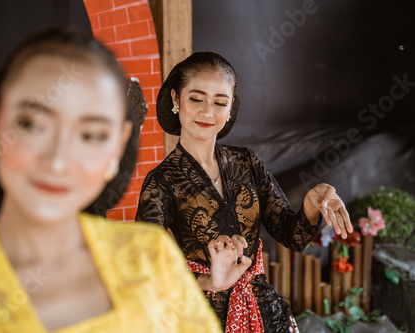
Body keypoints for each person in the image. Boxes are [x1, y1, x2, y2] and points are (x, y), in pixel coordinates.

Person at [0, 29, 222, 333]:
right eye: (32, 124)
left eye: (91, 135)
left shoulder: (151, 256)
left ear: (118, 145)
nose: (58, 161)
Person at [135, 52, 354, 333]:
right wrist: (209, 282)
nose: (207, 112)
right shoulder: (161, 181)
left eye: (219, 102)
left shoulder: (248, 162)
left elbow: (293, 236)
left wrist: (311, 204)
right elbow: (143, 271)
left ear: (230, 109)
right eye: (196, 98)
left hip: (265, 315)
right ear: (176, 99)